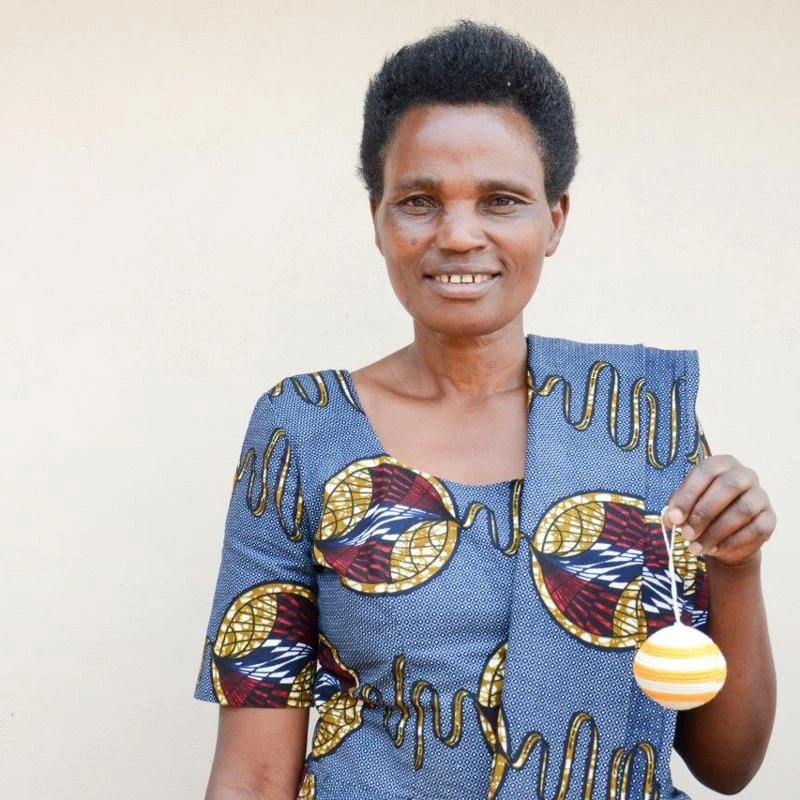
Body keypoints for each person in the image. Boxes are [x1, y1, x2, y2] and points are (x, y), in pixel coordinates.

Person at [194, 20, 776, 800]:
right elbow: (254, 771)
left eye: (501, 201)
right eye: (419, 201)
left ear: (555, 219)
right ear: (378, 218)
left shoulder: (634, 423)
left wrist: (736, 569)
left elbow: (727, 765)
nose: (460, 235)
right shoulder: (305, 429)